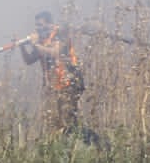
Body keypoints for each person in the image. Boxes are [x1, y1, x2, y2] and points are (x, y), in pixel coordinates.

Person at [19, 10, 100, 144]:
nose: (38, 28)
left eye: (41, 25)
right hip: (53, 87)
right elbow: (29, 60)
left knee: (67, 123)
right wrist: (22, 46)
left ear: (50, 24)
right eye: (36, 25)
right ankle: (64, 149)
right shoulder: (41, 41)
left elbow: (55, 52)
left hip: (69, 84)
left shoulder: (60, 34)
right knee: (54, 123)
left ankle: (97, 143)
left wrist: (34, 44)